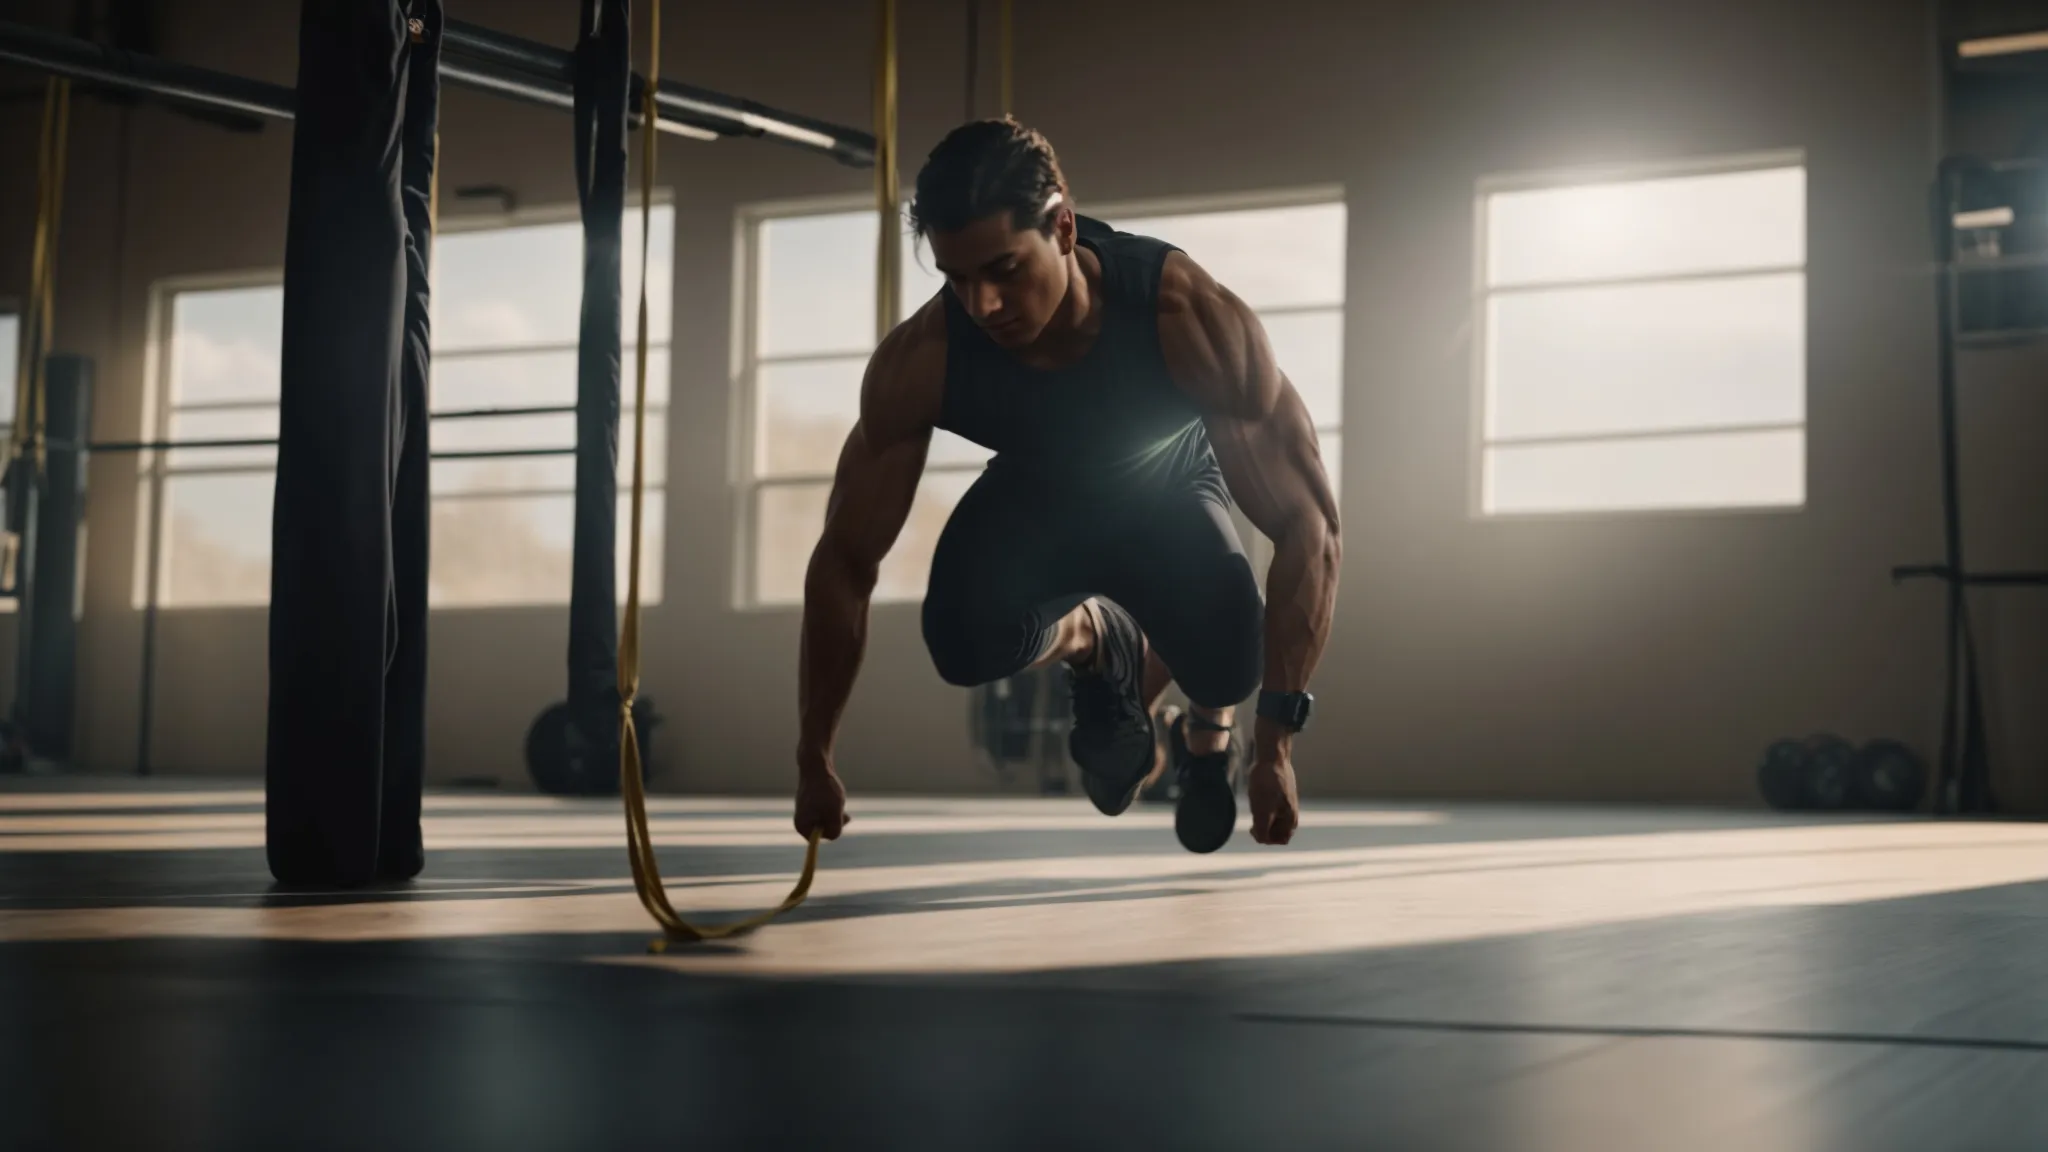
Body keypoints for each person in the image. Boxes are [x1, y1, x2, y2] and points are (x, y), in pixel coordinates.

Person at [792, 118, 1341, 852]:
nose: (983, 305)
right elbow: (845, 559)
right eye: (957, 279)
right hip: (1037, 493)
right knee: (959, 642)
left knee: (1233, 660)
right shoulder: (921, 359)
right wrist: (814, 757)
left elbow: (1310, 528)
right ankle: (1094, 636)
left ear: (1063, 227)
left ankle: (1208, 735)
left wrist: (1276, 747)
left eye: (1004, 269)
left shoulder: (1185, 315)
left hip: (1168, 490)